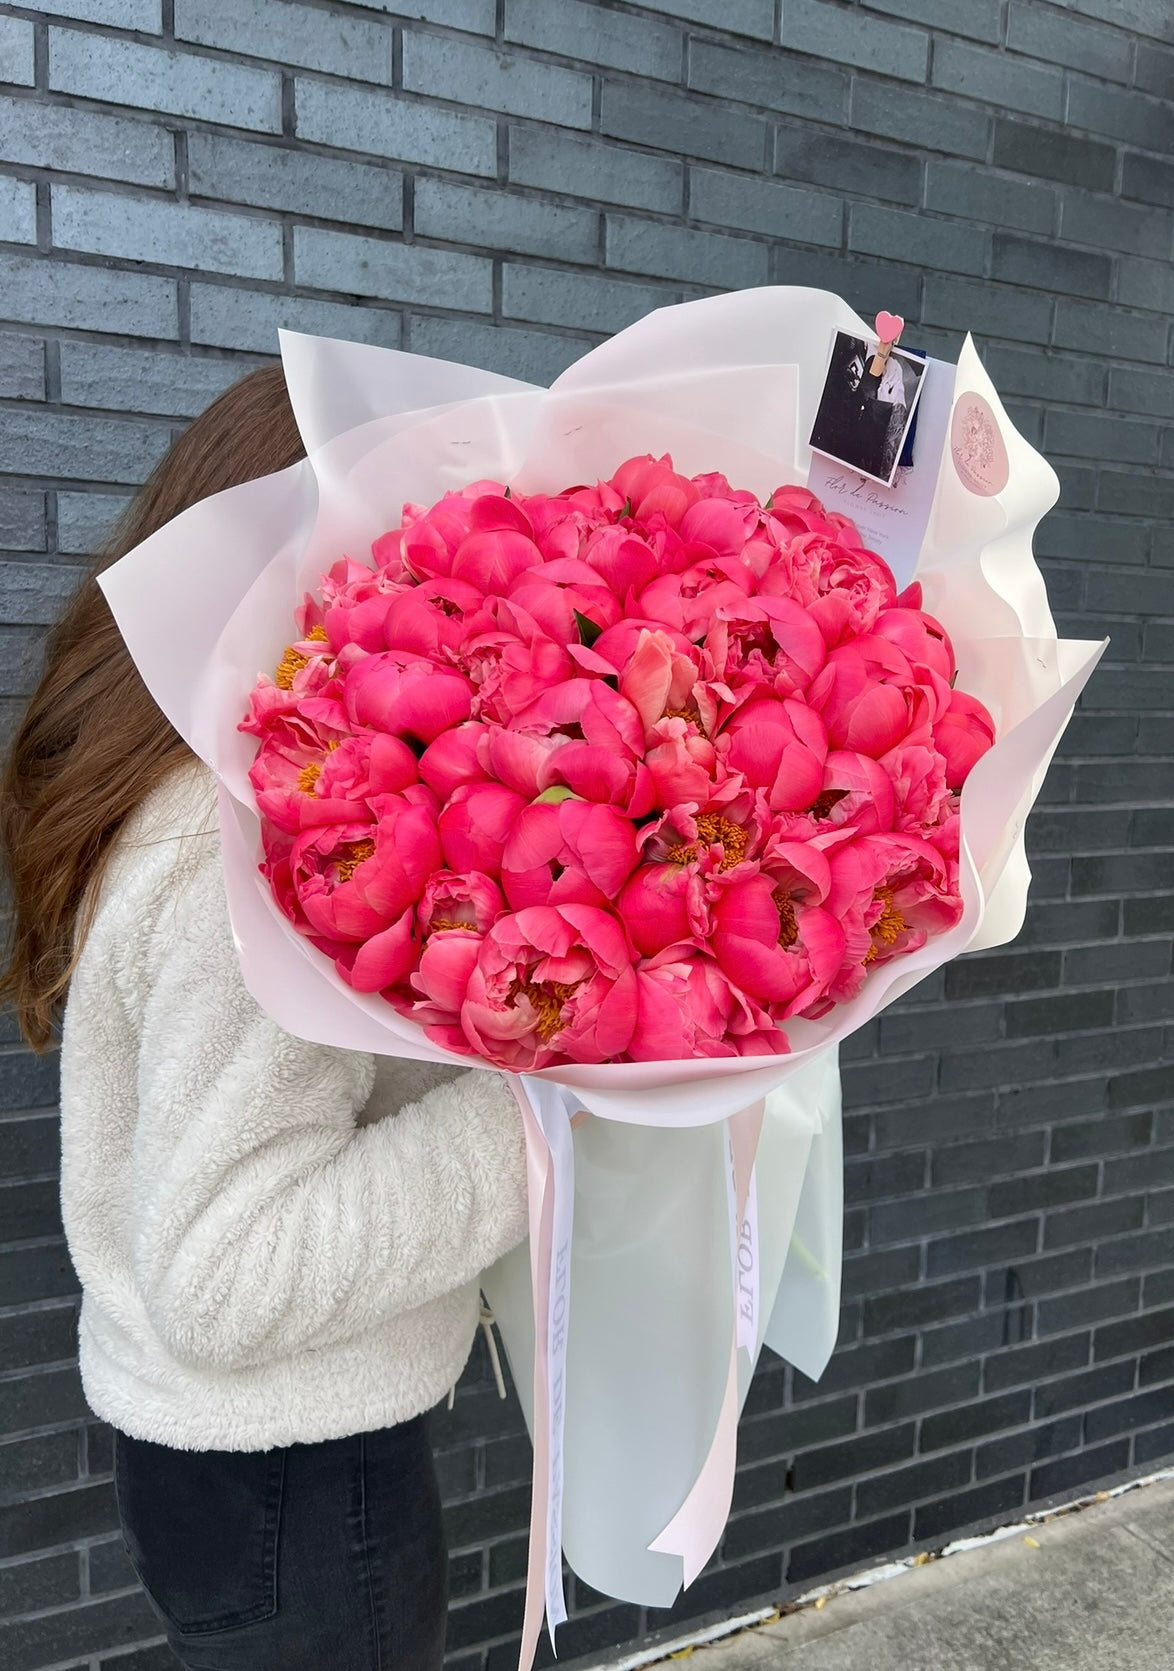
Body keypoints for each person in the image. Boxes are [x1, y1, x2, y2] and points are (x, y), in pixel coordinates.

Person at [0, 366, 531, 1671]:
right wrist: (544, 1109)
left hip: (245, 1470)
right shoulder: (243, 846)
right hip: (291, 1476)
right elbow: (225, 1274)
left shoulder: (181, 775)